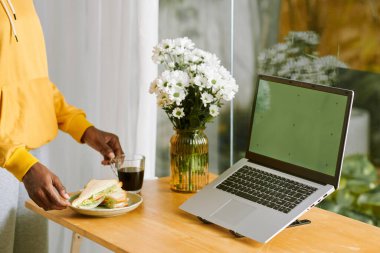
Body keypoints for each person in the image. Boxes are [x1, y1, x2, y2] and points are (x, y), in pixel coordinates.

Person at [0, 0, 123, 252]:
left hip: (27, 159)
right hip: (14, 162)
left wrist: (83, 128)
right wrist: (21, 164)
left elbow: (33, 82)